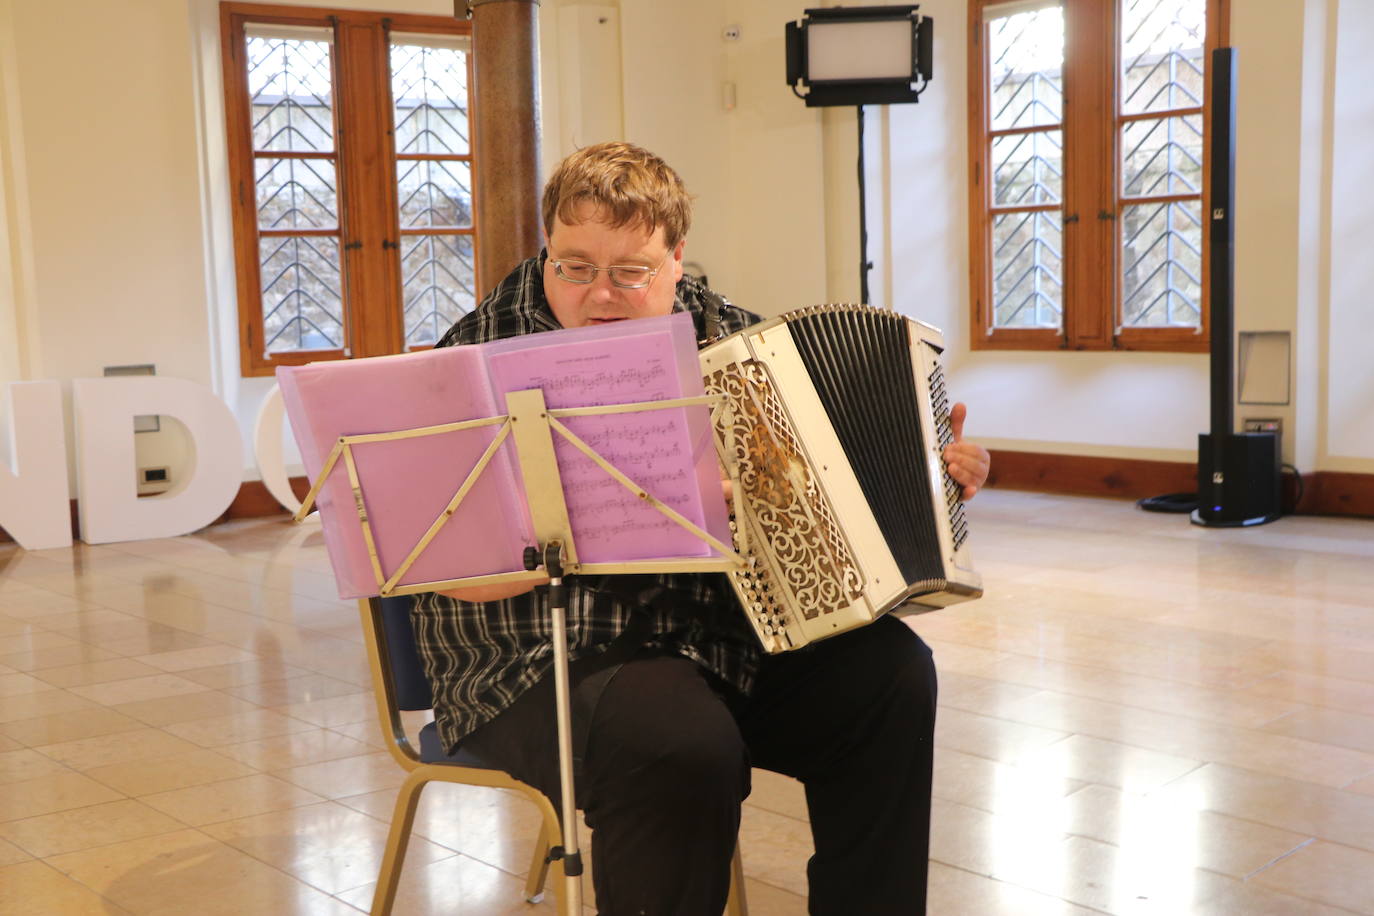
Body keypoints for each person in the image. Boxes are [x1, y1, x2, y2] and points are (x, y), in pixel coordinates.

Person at [412, 141, 991, 915]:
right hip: (537, 655)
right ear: (545, 247)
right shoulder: (474, 357)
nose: (599, 296)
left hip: (720, 639)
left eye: (630, 272)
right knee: (678, 746)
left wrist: (929, 478)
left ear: (677, 257)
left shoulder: (741, 345)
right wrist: (634, 509)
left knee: (891, 679)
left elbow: (817, 508)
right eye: (574, 267)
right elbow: (449, 570)